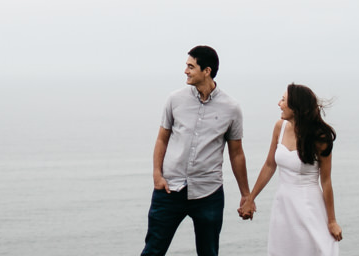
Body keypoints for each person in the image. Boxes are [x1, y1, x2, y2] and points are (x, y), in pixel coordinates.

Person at [141, 45, 250, 256]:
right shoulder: (174, 99)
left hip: (208, 193)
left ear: (206, 71)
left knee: (208, 253)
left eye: (191, 66)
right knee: (152, 251)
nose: (186, 71)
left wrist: (246, 194)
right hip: (169, 189)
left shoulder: (232, 108)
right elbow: (162, 139)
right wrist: (157, 175)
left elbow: (236, 153)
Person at [237, 83, 343, 252]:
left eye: (283, 100)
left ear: (296, 107)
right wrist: (250, 198)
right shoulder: (280, 126)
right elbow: (270, 165)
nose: (279, 104)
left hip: (309, 206)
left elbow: (326, 181)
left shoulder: (320, 137)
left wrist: (332, 220)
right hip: (283, 206)